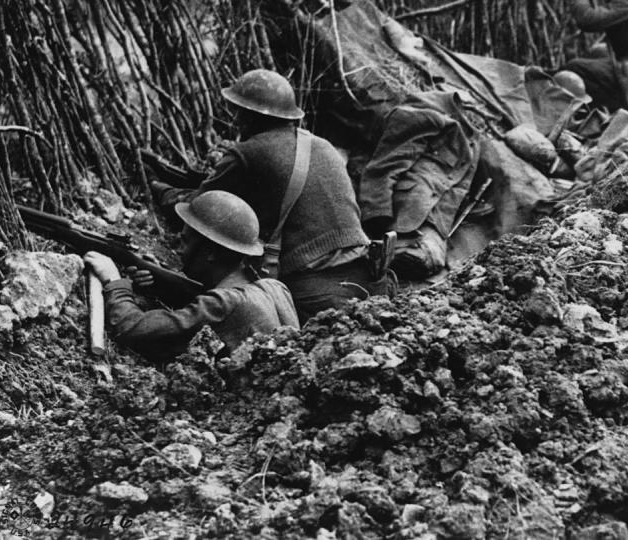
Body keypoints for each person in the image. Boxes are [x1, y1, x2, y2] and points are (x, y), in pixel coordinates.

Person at [151, 69, 396, 320]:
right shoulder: (323, 145)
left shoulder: (248, 153)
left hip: (314, 291)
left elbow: (198, 209)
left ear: (247, 116)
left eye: (239, 112)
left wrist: (160, 190)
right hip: (370, 279)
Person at [84, 191, 299, 362]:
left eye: (186, 241)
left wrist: (115, 282)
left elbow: (133, 328)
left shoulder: (224, 303)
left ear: (212, 253)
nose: (178, 248)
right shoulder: (276, 288)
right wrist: (160, 288)